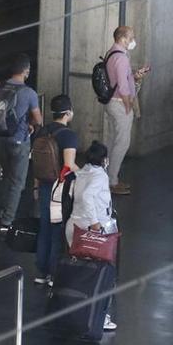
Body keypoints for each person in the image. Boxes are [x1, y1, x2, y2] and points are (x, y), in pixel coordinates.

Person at [64, 141, 117, 332]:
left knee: (79, 273)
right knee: (100, 275)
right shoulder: (100, 176)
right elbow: (87, 196)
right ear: (103, 159)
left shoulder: (82, 172)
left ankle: (74, 312)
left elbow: (73, 194)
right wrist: (95, 223)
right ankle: (100, 317)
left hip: (74, 225)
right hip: (90, 230)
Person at [0, 54, 42, 231]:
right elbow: (38, 119)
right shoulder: (29, 93)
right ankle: (7, 220)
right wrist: (31, 125)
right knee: (17, 181)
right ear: (26, 71)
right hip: (18, 141)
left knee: (5, 177)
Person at [33, 95, 78, 286]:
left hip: (43, 184)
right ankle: (54, 272)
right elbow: (68, 165)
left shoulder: (41, 132)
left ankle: (42, 272)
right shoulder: (69, 135)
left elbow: (35, 162)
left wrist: (35, 186)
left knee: (44, 228)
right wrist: (85, 172)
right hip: (60, 188)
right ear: (68, 113)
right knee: (57, 229)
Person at [104, 26, 150, 196]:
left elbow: (120, 78)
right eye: (131, 37)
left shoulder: (112, 53)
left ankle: (106, 177)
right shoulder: (122, 58)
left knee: (111, 141)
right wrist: (128, 104)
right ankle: (112, 181)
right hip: (119, 103)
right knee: (122, 143)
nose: (133, 40)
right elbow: (123, 86)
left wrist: (135, 76)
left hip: (110, 102)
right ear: (123, 38)